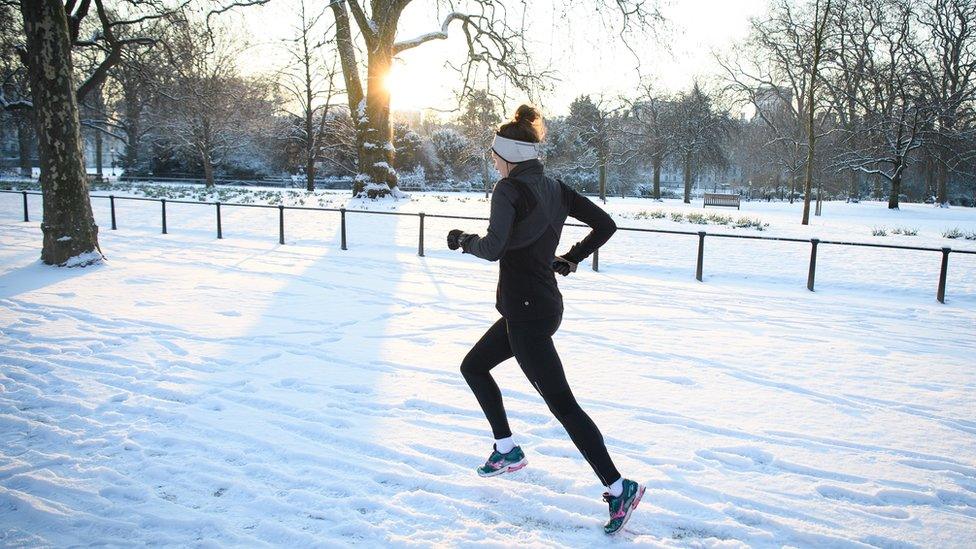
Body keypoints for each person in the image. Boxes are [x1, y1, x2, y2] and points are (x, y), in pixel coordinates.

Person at [446, 105, 644, 536]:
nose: (493, 161)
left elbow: (495, 247)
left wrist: (464, 241)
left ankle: (618, 486)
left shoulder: (508, 191)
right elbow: (605, 225)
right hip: (539, 305)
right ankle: (507, 449)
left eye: (496, 155)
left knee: (561, 403)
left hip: (527, 314)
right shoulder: (555, 186)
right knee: (473, 366)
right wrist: (571, 258)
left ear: (510, 155)